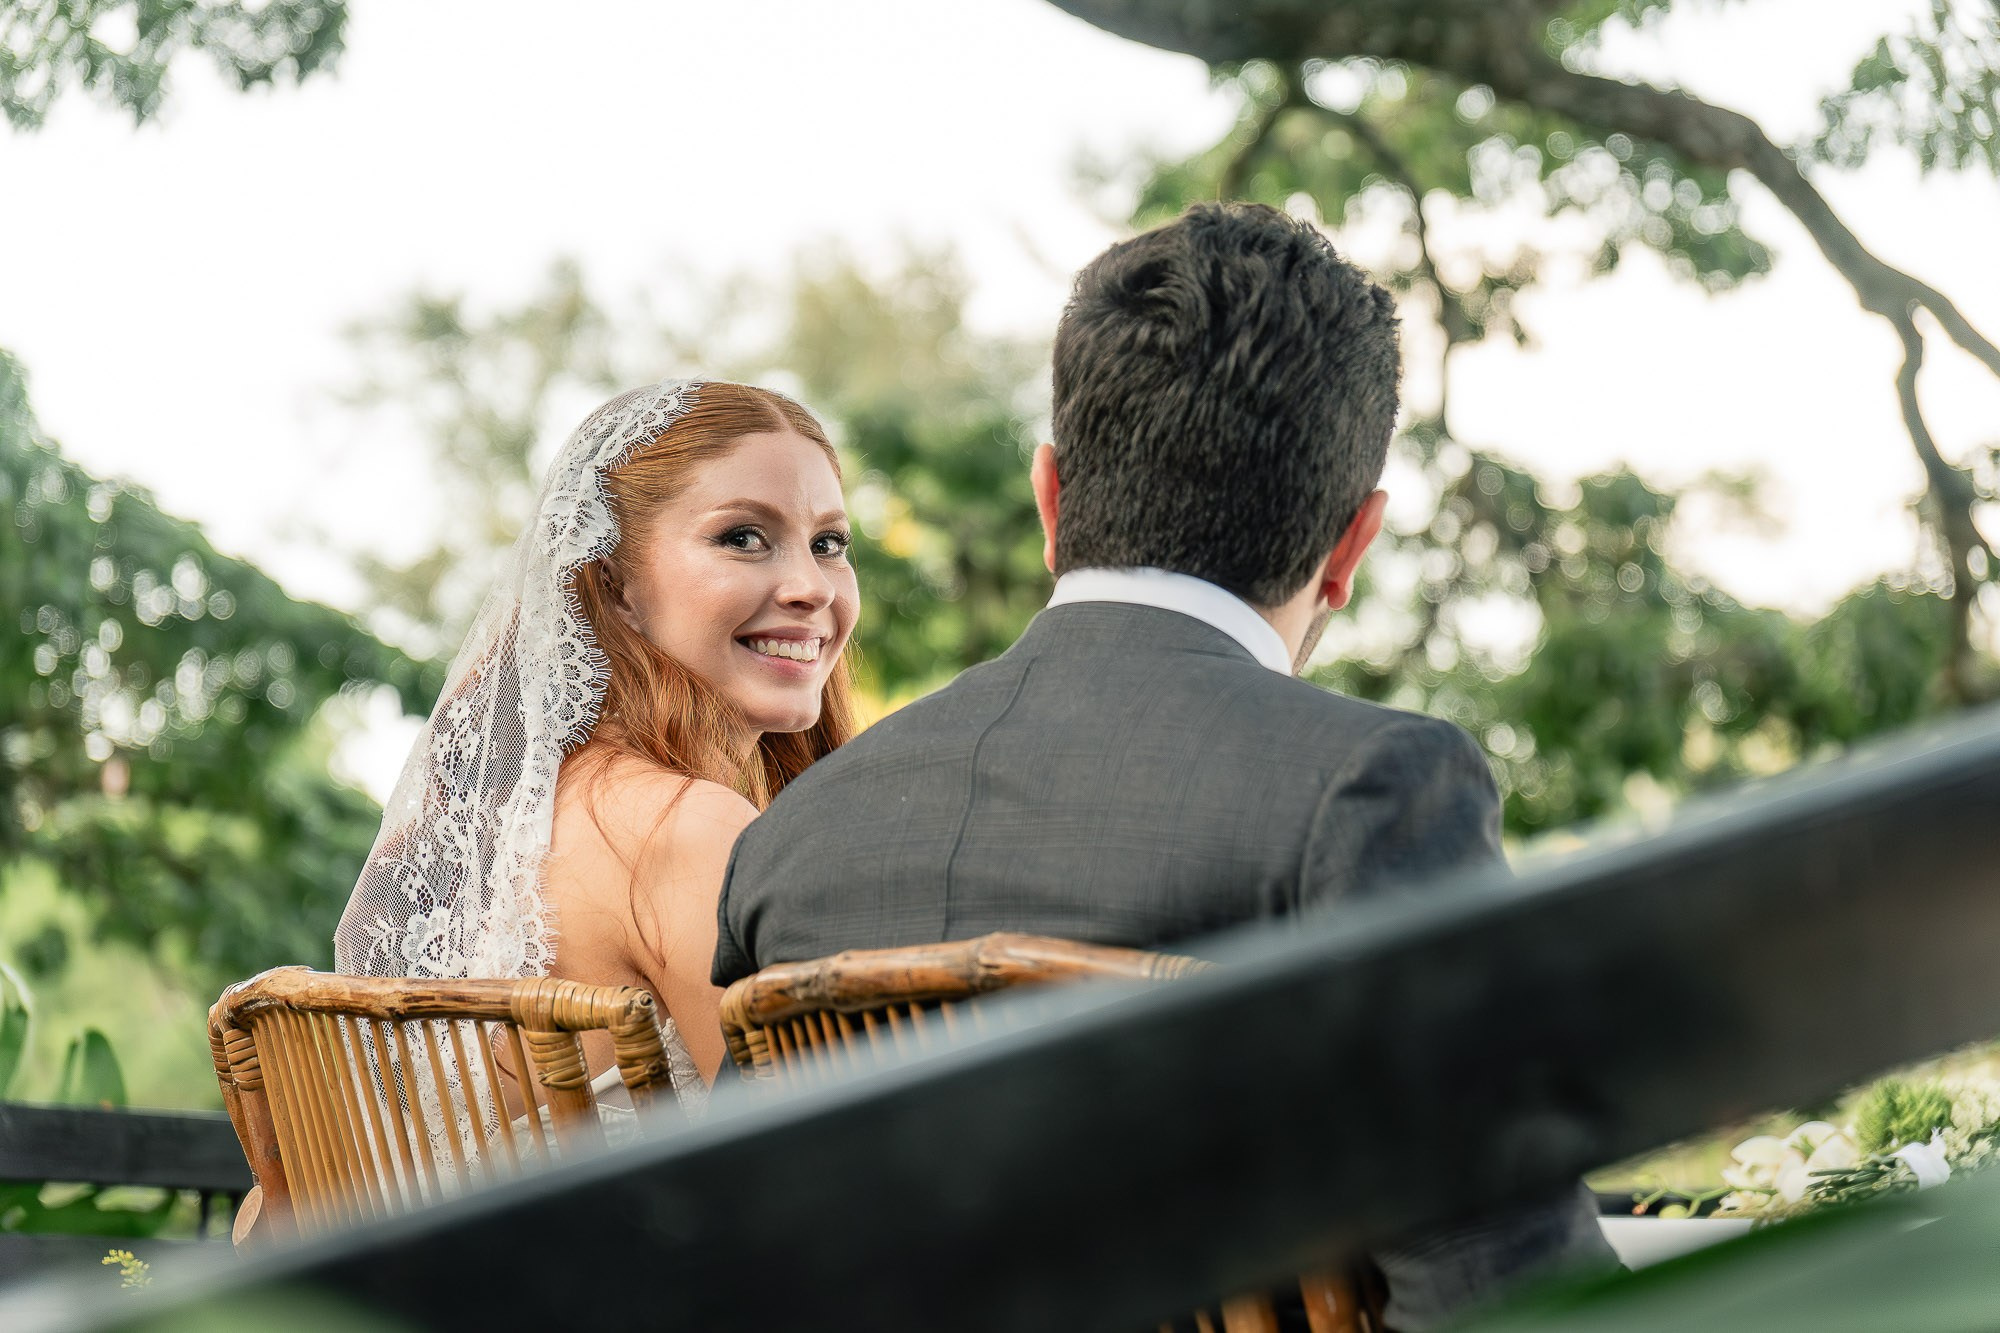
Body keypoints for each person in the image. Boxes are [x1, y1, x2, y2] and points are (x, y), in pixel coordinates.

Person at [712, 204, 1616, 1327]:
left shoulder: (787, 844)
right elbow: (1514, 1297)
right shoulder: (1370, 790)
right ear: (1349, 548)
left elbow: (736, 1264)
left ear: (1050, 499)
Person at [335, 378, 859, 1117]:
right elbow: (830, 1161)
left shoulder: (531, 820)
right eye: (742, 537)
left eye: (829, 543)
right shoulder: (689, 828)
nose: (811, 585)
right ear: (612, 586)